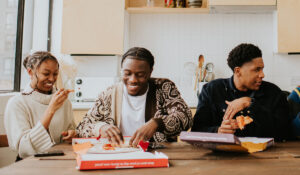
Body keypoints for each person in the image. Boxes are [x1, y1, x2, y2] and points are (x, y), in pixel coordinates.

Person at [76, 47, 192, 147]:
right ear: (121, 71)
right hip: (119, 153)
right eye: (127, 74)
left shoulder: (163, 87)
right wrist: (101, 128)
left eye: (140, 75)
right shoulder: (110, 94)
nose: (133, 80)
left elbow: (185, 118)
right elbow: (82, 127)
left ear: (150, 71)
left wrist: (157, 123)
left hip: (155, 153)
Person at [191, 43, 292, 141]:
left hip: (267, 156)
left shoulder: (274, 93)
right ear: (238, 71)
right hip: (222, 156)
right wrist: (218, 131)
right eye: (257, 70)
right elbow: (196, 131)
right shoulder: (211, 90)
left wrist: (250, 103)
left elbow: (286, 132)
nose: (262, 75)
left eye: (262, 69)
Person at [4, 51, 76, 159]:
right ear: (30, 72)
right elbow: (23, 149)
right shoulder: (17, 103)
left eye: (55, 74)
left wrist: (72, 134)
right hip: (29, 164)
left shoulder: (64, 102)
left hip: (60, 159)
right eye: (46, 74)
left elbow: (71, 129)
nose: (52, 79)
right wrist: (51, 109)